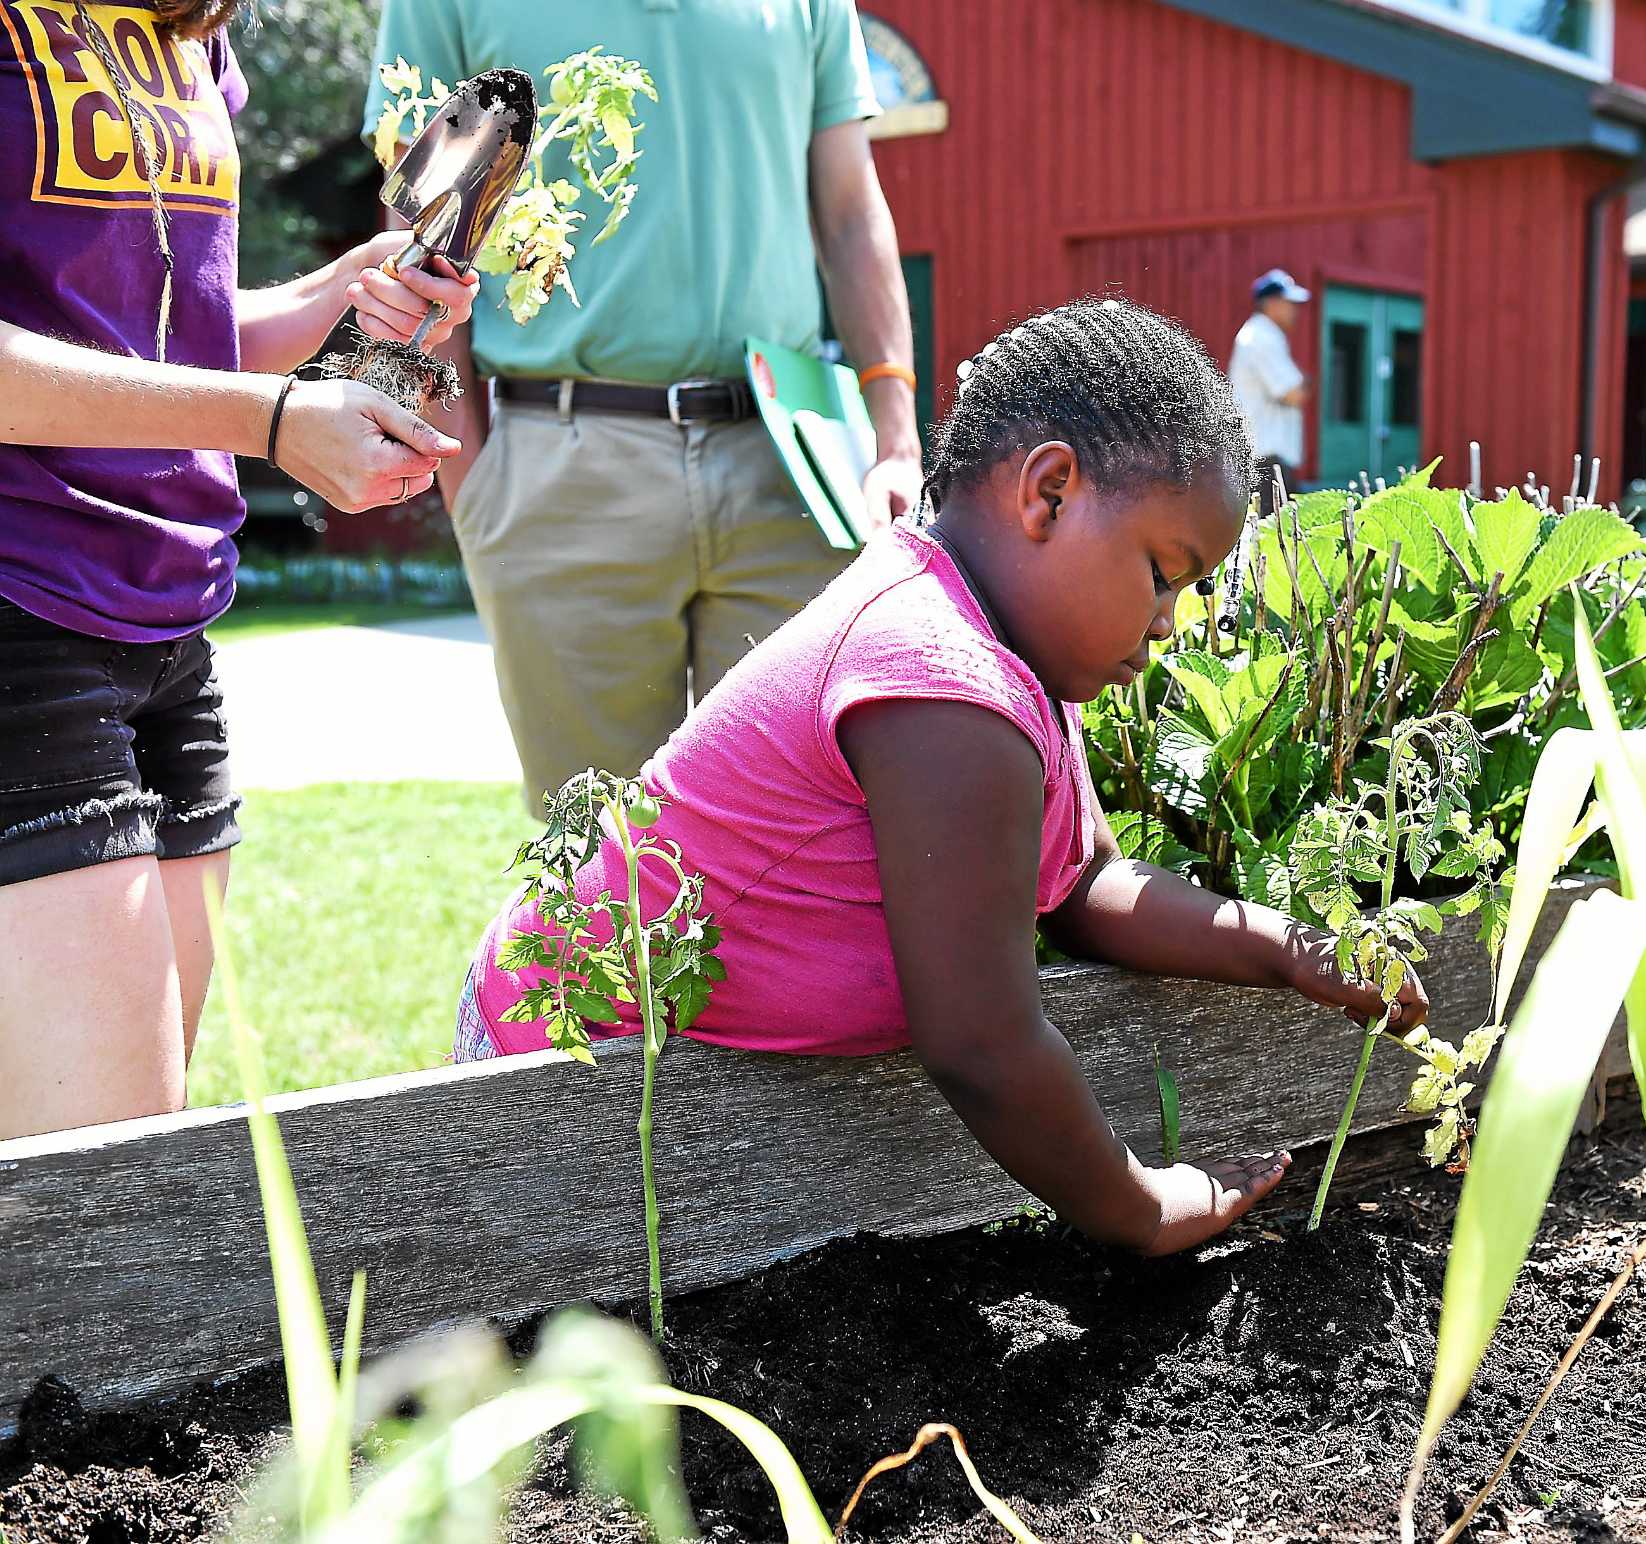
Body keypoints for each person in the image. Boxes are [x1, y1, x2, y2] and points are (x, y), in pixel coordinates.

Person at [456, 300, 1428, 1255]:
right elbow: (981, 1043)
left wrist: (1286, 949)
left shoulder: (995, 646)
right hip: (564, 1063)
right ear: (1047, 493)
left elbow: (1084, 884)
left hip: (680, 1083)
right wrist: (1140, 1204)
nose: (1171, 619)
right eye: (1162, 572)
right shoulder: (937, 682)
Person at [0, 0, 478, 1140]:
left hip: (172, 619)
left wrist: (337, 298)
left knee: (139, 1144)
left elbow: (168, 329)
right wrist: (270, 420)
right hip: (24, 605)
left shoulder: (188, 24)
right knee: (103, 1194)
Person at [364, 0, 924, 820]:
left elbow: (850, 212)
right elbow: (424, 232)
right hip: (560, 467)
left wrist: (896, 440)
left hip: (789, 470)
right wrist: (468, 478)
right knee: (596, 866)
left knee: (802, 847)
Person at [1228, 268, 1311, 479]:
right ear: (1272, 303)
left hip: (1262, 456)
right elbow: (1293, 393)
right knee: (1273, 513)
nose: (1295, 310)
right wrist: (1306, 381)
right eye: (1289, 303)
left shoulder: (1262, 334)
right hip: (1264, 458)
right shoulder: (1262, 337)